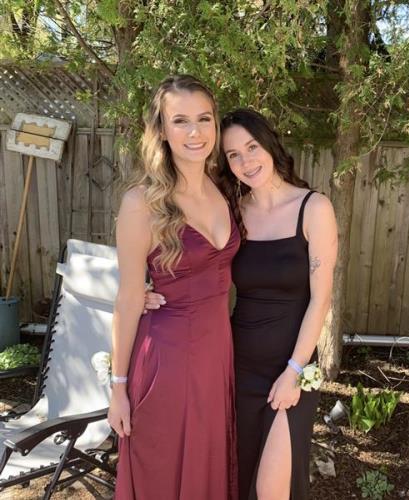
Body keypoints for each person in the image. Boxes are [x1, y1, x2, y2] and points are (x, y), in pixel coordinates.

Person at [146, 108, 337, 500]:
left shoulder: (314, 208)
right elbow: (197, 265)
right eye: (233, 155)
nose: (246, 161)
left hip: (293, 363)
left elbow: (320, 300)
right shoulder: (235, 213)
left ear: (269, 144)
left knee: (273, 487)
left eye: (251, 147)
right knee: (238, 475)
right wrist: (150, 290)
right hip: (236, 364)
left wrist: (294, 370)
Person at [109, 75, 239, 500]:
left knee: (207, 471)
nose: (195, 132)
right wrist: (117, 388)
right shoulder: (141, 203)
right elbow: (128, 299)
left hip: (217, 356)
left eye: (204, 119)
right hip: (167, 360)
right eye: (180, 121)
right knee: (165, 476)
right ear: (161, 130)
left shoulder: (225, 188)